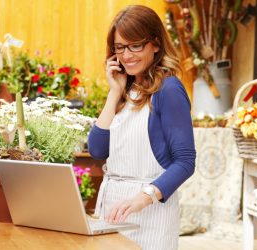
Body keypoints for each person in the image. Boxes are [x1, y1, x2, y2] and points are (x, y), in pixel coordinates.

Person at [88, 5, 196, 250]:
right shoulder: (125, 91)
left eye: (135, 45)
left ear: (155, 44)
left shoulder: (169, 90)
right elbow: (96, 149)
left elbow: (186, 161)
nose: (127, 55)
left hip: (150, 210)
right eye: (120, 47)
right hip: (113, 207)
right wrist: (114, 93)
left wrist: (143, 197)